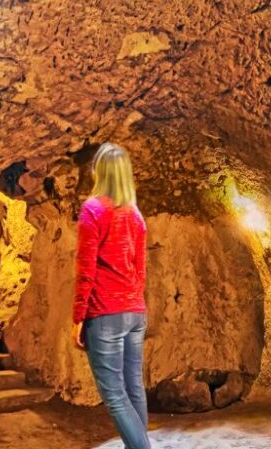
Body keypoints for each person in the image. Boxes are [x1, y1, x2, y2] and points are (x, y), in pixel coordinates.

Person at [72, 143, 151, 449]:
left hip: (104, 312)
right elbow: (140, 270)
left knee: (115, 395)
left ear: (99, 172)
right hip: (135, 312)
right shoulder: (135, 216)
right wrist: (134, 302)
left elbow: (86, 269)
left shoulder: (93, 209)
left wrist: (79, 317)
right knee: (133, 388)